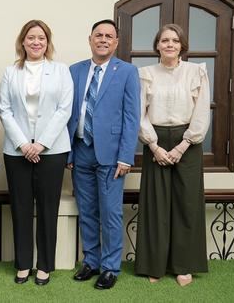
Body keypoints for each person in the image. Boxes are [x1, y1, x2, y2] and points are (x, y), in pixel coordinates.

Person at [0, 19, 73, 286]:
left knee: (47, 207)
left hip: (52, 151)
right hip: (17, 151)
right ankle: (22, 265)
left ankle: (44, 266)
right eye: (31, 37)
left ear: (47, 42)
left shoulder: (61, 71)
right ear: (22, 41)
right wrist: (23, 143)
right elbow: (4, 110)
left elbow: (65, 110)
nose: (36, 42)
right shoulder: (10, 72)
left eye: (41, 38)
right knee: (20, 207)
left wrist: (40, 143)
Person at [134, 24, 210, 286]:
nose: (169, 44)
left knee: (186, 205)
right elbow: (139, 113)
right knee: (156, 205)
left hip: (187, 143)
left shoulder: (196, 71)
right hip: (155, 140)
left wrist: (183, 145)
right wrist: (153, 146)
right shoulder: (145, 74)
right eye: (164, 40)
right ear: (157, 45)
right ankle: (154, 265)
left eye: (175, 41)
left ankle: (183, 266)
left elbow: (201, 112)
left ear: (182, 46)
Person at [67, 19, 140, 290]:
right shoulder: (75, 71)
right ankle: (91, 261)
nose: (103, 40)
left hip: (111, 155)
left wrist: (126, 156)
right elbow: (69, 113)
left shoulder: (127, 72)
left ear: (116, 42)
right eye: (99, 35)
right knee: (87, 211)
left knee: (110, 213)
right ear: (90, 39)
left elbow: (132, 117)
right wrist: (69, 152)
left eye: (109, 36)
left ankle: (110, 268)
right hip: (81, 149)